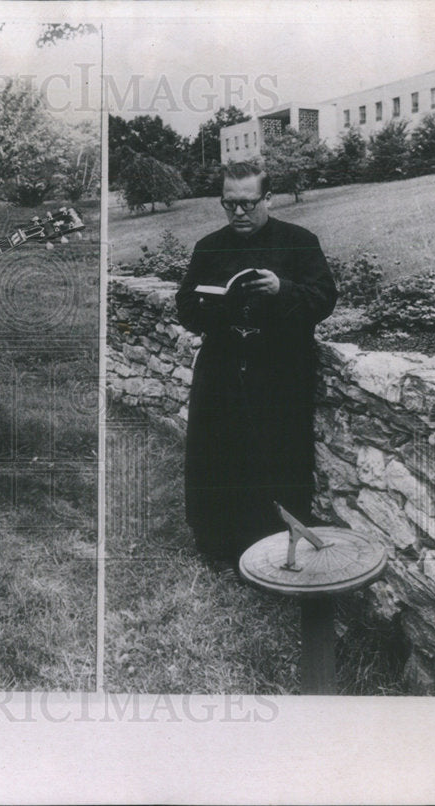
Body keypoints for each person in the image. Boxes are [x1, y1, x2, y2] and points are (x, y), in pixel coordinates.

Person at [174, 162, 337, 563]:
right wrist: (204, 304)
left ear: (268, 198)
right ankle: (217, 544)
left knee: (275, 458)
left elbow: (323, 300)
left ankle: (273, 546)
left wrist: (283, 289)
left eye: (248, 204)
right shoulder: (209, 246)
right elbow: (184, 307)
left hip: (279, 368)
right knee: (216, 456)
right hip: (222, 366)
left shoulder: (299, 241)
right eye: (230, 205)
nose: (239, 214)